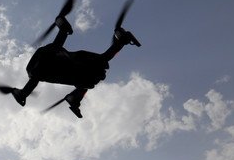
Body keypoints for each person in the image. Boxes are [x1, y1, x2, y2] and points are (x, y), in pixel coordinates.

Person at [9, 14, 140, 118]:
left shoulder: (85, 75)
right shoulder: (87, 76)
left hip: (61, 65)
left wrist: (23, 93)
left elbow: (35, 77)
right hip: (63, 66)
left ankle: (64, 32)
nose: (104, 74)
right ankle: (120, 40)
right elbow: (106, 57)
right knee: (60, 61)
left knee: (55, 60)